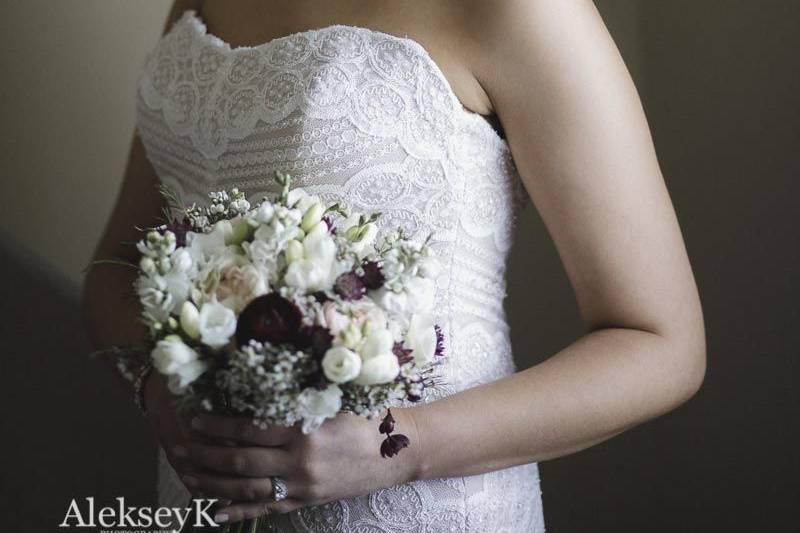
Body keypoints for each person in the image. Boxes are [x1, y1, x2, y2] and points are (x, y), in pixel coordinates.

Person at [83, 0, 706, 530]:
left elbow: (661, 343)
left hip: (418, 504)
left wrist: (399, 446)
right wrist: (154, 386)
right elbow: (116, 264)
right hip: (205, 496)